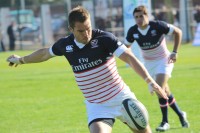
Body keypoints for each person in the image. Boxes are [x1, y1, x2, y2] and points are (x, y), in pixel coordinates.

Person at [7, 6, 168, 133]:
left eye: (88, 28)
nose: (86, 34)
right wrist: (21, 60)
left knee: (144, 131)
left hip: (121, 98)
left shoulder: (105, 39)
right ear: (71, 29)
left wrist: (150, 81)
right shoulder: (65, 45)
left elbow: (129, 58)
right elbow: (43, 54)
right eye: (81, 31)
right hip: (97, 104)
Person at [125, 5, 189, 132]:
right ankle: (181, 114)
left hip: (164, 60)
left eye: (141, 16)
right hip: (148, 64)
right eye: (136, 17)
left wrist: (175, 52)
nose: (139, 19)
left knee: (159, 88)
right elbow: (126, 47)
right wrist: (132, 60)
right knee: (165, 91)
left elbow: (178, 32)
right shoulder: (133, 31)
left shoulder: (158, 25)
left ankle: (165, 122)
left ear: (147, 16)